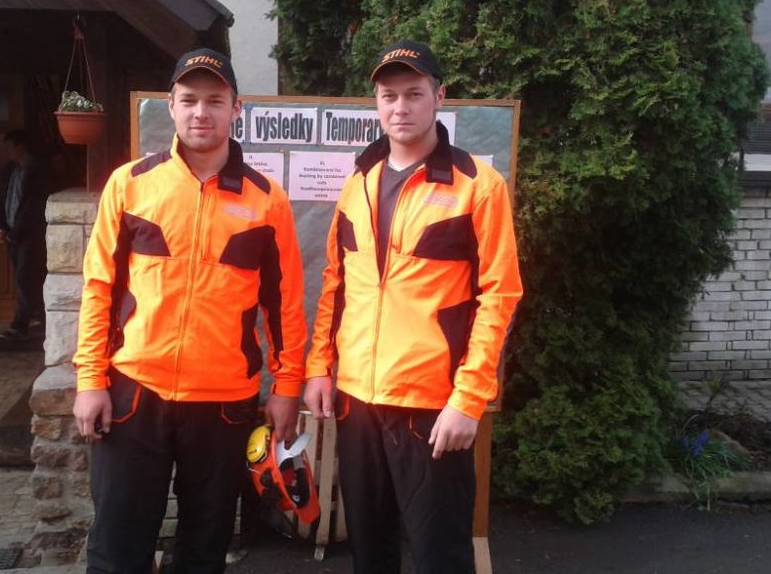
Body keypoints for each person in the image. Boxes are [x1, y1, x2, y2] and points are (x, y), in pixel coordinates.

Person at [72, 48, 307, 574]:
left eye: (215, 101)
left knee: (205, 547)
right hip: (135, 392)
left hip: (224, 401)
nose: (202, 112)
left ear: (236, 108)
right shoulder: (130, 184)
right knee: (117, 545)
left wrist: (288, 385)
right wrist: (90, 380)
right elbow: (99, 288)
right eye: (190, 100)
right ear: (171, 106)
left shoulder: (267, 200)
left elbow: (284, 303)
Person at [304, 40, 523, 574]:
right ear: (377, 103)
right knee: (370, 552)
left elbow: (500, 296)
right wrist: (319, 367)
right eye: (389, 96)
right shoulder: (358, 182)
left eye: (413, 94)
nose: (400, 107)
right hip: (357, 400)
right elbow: (337, 282)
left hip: (432, 405)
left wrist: (468, 400)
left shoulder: (478, 187)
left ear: (439, 97)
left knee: (440, 555)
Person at [0, 129, 48, 340]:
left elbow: (32, 207)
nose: (7, 152)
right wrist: (1, 227)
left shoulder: (38, 171)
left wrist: (16, 232)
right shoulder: (9, 170)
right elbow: (2, 199)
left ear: (21, 147)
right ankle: (40, 316)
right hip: (10, 232)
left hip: (29, 235)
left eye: (10, 147)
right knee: (24, 278)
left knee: (25, 277)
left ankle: (20, 324)